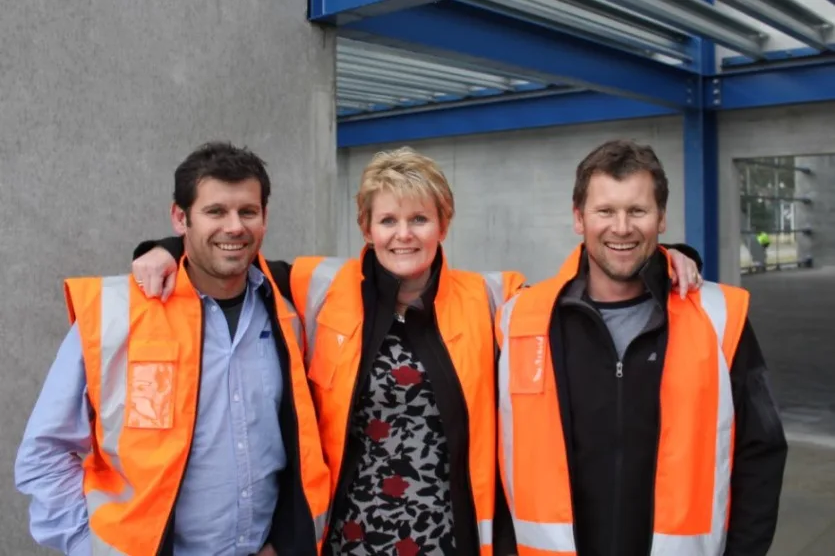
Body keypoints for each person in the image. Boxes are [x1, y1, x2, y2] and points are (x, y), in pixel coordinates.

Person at [131, 147, 704, 556]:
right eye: (388, 220)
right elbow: (231, 256)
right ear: (366, 226)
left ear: (443, 224)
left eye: (419, 219)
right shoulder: (318, 287)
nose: (403, 235)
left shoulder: (495, 298)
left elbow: (589, 282)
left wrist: (663, 254)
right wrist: (161, 248)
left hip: (447, 538)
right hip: (349, 538)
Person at [15, 142, 330, 556]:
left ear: (265, 217)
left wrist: (284, 543)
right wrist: (92, 546)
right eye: (215, 211)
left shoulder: (292, 305)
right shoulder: (116, 315)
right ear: (180, 218)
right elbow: (44, 454)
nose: (234, 226)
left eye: (247, 212)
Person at [494, 139, 788, 556]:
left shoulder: (721, 317)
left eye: (637, 210)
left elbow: (762, 452)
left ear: (662, 218)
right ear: (579, 218)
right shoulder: (519, 319)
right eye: (605, 211)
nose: (621, 227)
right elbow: (489, 452)